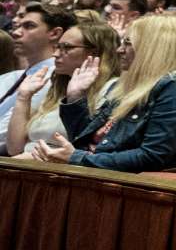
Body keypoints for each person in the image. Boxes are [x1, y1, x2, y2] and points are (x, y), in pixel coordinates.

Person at [32, 14, 176, 172]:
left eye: (127, 43)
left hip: (117, 184)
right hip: (88, 171)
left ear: (151, 48)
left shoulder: (173, 88)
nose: (119, 50)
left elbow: (153, 156)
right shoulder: (123, 86)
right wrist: (76, 97)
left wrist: (78, 159)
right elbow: (83, 138)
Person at [6, 22, 121, 155]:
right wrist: (23, 98)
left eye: (66, 47)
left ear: (94, 52)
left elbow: (87, 148)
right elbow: (14, 149)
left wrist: (75, 98)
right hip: (25, 165)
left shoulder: (113, 90)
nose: (55, 54)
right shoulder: (58, 88)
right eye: (57, 47)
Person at [0, 3, 76, 152]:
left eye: (29, 26)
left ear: (54, 33)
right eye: (19, 26)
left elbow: (5, 135)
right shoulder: (10, 77)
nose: (16, 32)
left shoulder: (58, 80)